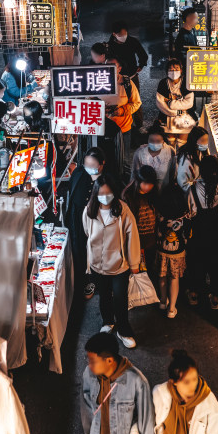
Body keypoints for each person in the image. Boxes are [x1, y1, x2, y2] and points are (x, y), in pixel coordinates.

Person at [81, 333, 155, 434]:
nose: (89, 365)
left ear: (109, 360)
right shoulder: (88, 375)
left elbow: (146, 423)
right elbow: (86, 411)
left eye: (93, 361)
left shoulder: (137, 381)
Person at [82, 173, 141, 348]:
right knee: (104, 296)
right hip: (97, 265)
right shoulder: (89, 210)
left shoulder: (123, 210)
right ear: (96, 193)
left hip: (119, 265)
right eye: (101, 193)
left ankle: (124, 330)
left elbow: (133, 236)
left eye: (108, 192)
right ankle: (107, 322)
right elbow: (87, 232)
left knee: (121, 298)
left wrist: (134, 263)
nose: (105, 196)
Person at [186, 155, 218, 310]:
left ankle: (194, 295)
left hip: (199, 232)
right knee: (217, 265)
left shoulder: (194, 188)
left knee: (196, 262)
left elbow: (190, 208)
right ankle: (215, 299)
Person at [66, 147, 106, 300]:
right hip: (78, 220)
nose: (88, 167)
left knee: (97, 250)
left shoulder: (106, 179)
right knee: (80, 250)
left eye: (92, 164)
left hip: (98, 221)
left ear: (102, 164)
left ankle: (97, 280)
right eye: (86, 163)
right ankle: (84, 281)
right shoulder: (79, 173)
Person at [156, 186, 191, 319]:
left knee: (162, 276)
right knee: (174, 279)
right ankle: (171, 309)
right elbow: (187, 235)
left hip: (162, 252)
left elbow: (158, 233)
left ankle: (163, 301)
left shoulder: (160, 216)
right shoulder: (184, 217)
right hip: (177, 254)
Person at [108, 20, 147, 128]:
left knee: (135, 100)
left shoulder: (132, 41)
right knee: (118, 101)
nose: (124, 37)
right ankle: (117, 124)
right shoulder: (109, 46)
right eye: (121, 35)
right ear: (114, 34)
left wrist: (141, 65)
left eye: (125, 34)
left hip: (131, 76)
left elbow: (142, 54)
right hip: (116, 79)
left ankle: (139, 125)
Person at [105, 56, 141, 172]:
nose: (108, 69)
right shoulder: (94, 82)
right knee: (105, 160)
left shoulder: (127, 83)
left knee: (123, 160)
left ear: (119, 69)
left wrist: (122, 111)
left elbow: (136, 103)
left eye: (112, 67)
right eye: (106, 66)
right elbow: (88, 102)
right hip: (103, 129)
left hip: (123, 129)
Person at [123, 165, 159, 276]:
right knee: (139, 275)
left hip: (151, 243)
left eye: (150, 184)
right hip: (136, 244)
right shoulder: (129, 196)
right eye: (145, 183)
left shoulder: (153, 194)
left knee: (151, 273)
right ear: (138, 181)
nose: (147, 187)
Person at [156, 59, 196, 147]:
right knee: (170, 144)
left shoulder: (186, 82)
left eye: (176, 69)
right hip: (167, 118)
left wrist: (171, 103)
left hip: (185, 118)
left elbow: (189, 103)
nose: (174, 71)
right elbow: (160, 103)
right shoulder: (163, 83)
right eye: (171, 69)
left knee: (182, 144)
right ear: (167, 71)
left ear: (181, 70)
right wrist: (175, 112)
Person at [131, 124, 176, 191]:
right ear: (147, 140)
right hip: (145, 192)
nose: (154, 144)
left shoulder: (170, 151)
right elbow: (134, 174)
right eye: (151, 141)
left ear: (163, 141)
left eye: (158, 141)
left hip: (163, 191)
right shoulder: (139, 153)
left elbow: (173, 172)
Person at [176, 126, 209, 208]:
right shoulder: (186, 160)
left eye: (207, 140)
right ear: (194, 141)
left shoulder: (200, 152)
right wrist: (196, 184)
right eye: (203, 140)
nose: (205, 143)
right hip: (190, 199)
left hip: (197, 194)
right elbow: (182, 184)